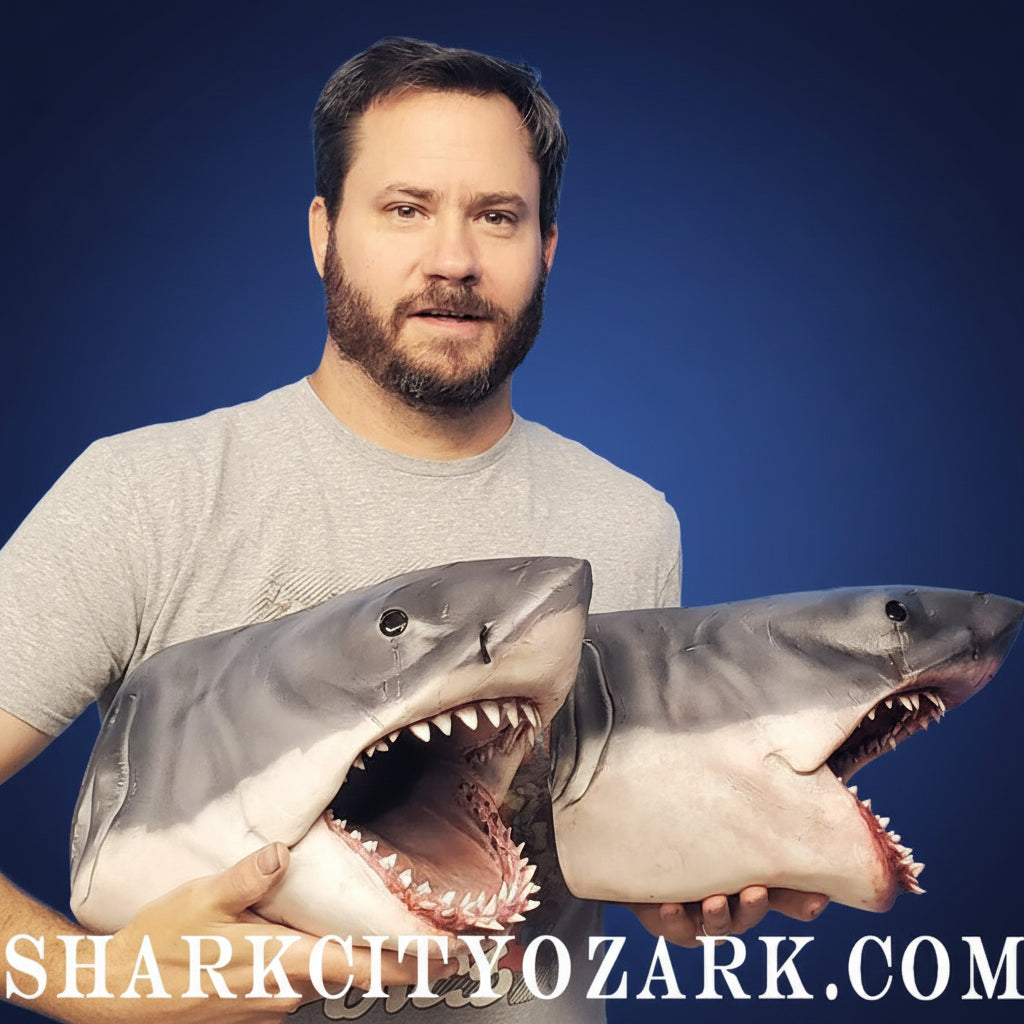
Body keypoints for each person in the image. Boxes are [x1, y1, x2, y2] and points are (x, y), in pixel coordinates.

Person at [0, 38, 826, 1023]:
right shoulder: (147, 494)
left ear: (546, 248)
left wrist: (684, 885)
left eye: (497, 216)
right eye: (405, 209)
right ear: (323, 232)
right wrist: (89, 984)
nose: (454, 260)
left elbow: (591, 838)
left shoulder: (628, 523)